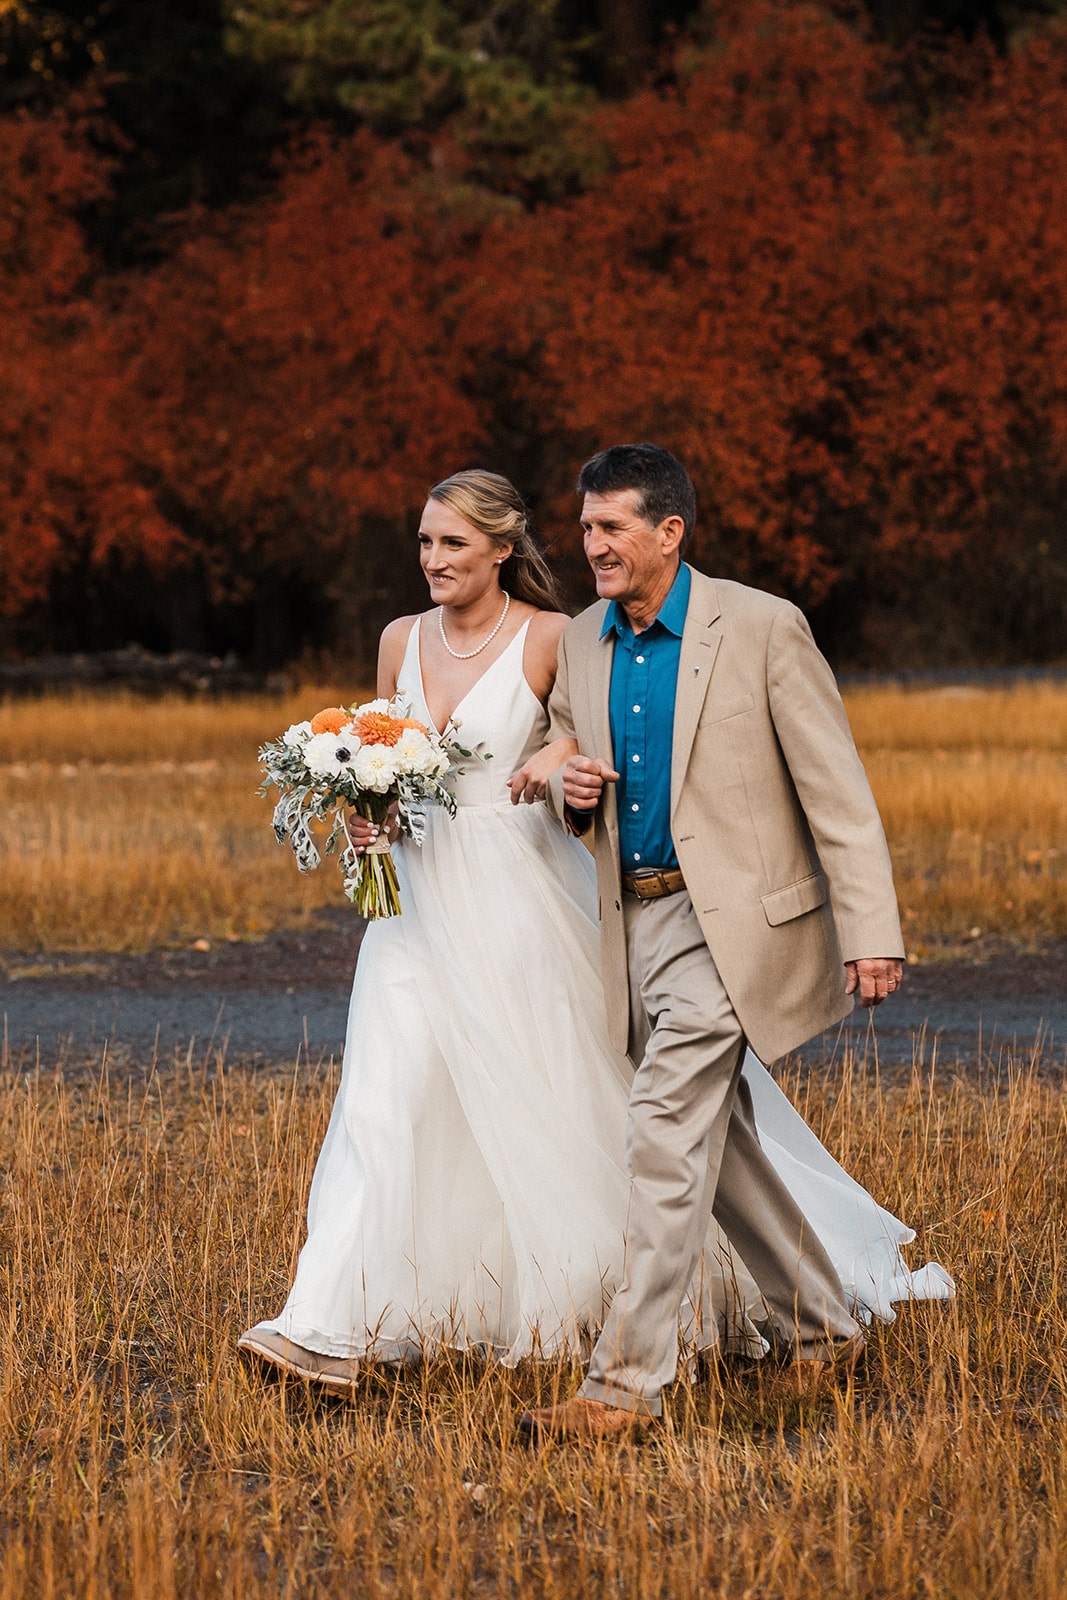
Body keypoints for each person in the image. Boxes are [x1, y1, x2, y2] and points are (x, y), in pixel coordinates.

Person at [238, 467, 951, 1397]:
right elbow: (418, 759)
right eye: (423, 542)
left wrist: (872, 930)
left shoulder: (614, 635)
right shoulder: (472, 640)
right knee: (384, 1106)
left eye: (453, 541)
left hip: (571, 911)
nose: (433, 559)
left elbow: (819, 786)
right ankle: (326, 1327)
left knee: (631, 1119)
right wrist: (372, 817)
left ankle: (631, 1363)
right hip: (437, 914)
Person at [517, 443, 925, 1442]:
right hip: (632, 918)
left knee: (663, 1126)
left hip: (735, 924)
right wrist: (564, 781)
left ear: (669, 532)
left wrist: (869, 929)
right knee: (718, 1140)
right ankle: (824, 1326)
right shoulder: (579, 639)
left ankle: (620, 1388)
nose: (591, 545)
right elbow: (559, 741)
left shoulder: (760, 627)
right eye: (583, 527)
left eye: (611, 527)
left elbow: (836, 790)